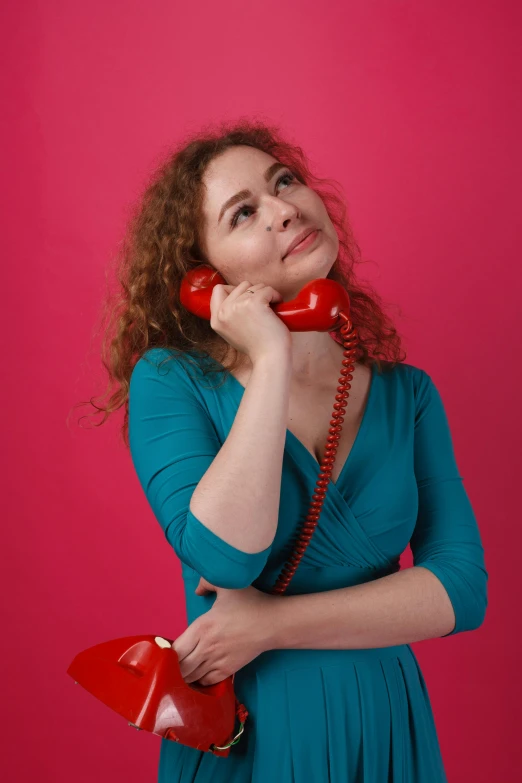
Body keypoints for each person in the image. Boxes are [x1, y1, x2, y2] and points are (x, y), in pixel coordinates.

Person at [87, 119, 488, 782]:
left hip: (384, 726)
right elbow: (226, 554)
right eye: (244, 212)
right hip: (255, 732)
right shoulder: (171, 381)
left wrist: (269, 625)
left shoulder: (408, 395)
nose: (284, 209)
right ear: (206, 277)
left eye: (286, 182)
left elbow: (462, 590)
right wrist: (270, 354)